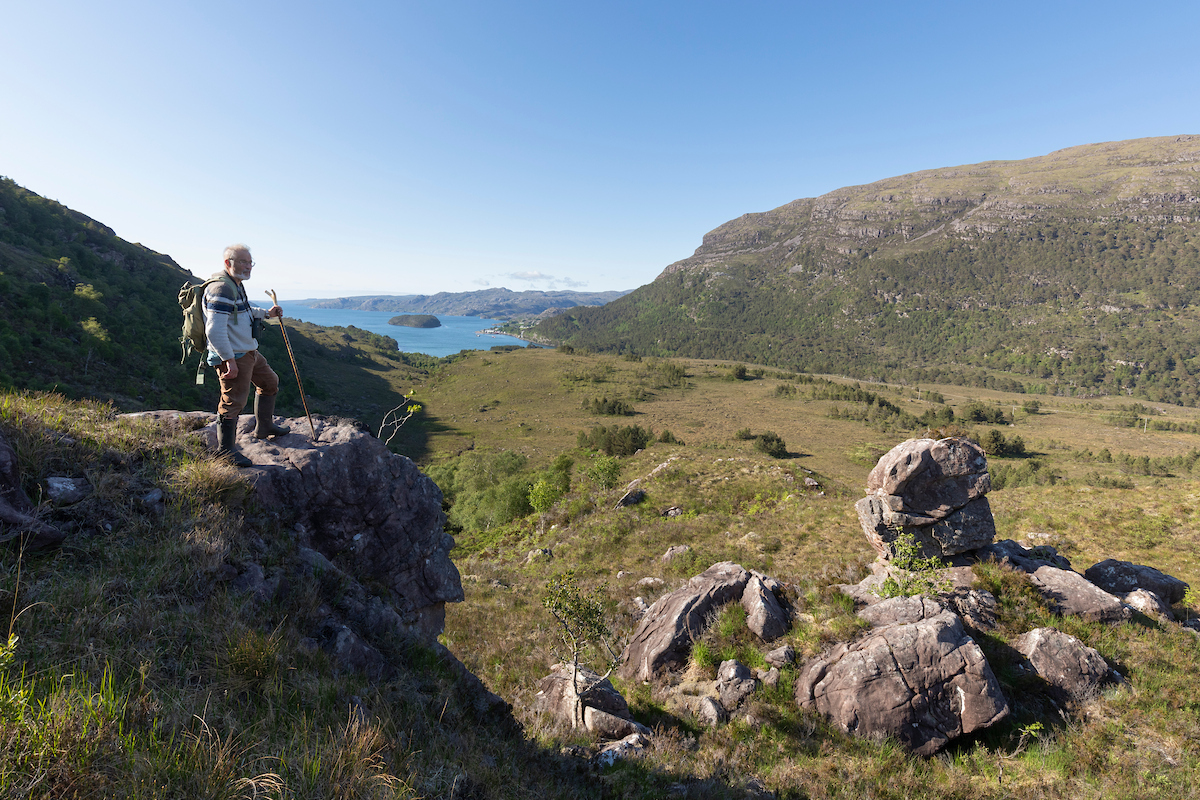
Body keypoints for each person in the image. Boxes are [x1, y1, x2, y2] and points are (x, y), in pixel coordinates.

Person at [204, 243, 290, 466]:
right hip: (234, 355)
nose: (248, 266)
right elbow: (213, 329)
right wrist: (228, 359)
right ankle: (226, 452)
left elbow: (243, 312)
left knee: (270, 382)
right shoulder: (221, 288)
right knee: (233, 401)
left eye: (250, 262)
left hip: (248, 351)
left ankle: (264, 427)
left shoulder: (234, 284)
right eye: (242, 261)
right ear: (227, 263)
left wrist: (266, 314)